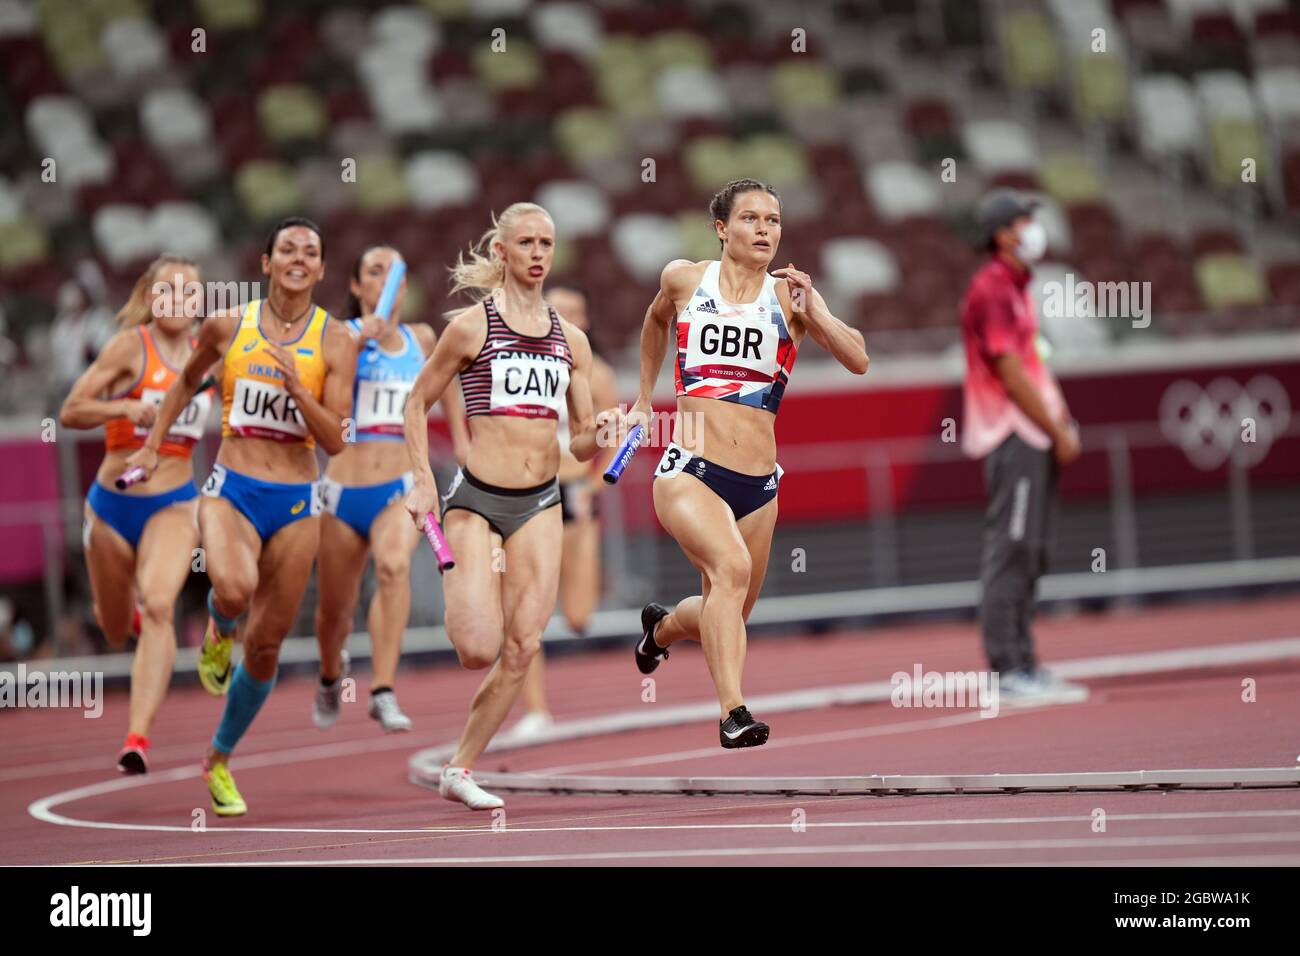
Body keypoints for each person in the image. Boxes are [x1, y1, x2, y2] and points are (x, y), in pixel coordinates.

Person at [126, 216, 358, 816]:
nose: (298, 258)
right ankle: (217, 626)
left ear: (323, 269)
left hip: (297, 500)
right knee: (233, 585)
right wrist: (152, 445)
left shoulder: (336, 342)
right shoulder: (230, 324)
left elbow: (336, 439)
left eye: (310, 250)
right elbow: (183, 381)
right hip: (233, 488)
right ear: (266, 263)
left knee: (269, 644)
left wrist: (298, 390)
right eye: (287, 249)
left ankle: (219, 757)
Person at [626, 178, 869, 748]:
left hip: (759, 485)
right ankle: (733, 713)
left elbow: (858, 359)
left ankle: (660, 629)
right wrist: (643, 399)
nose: (765, 230)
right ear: (721, 228)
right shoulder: (684, 279)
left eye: (774, 221)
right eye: (751, 219)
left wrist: (819, 312)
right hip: (689, 470)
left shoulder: (791, 297)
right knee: (730, 573)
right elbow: (655, 321)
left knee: (725, 611)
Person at [403, 202, 603, 809]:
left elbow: (581, 436)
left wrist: (611, 431)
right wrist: (420, 481)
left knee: (523, 647)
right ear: (502, 252)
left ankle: (460, 768)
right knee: (478, 649)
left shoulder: (573, 341)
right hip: (477, 503)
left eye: (547, 242)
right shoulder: (470, 328)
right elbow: (416, 404)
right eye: (527, 243)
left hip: (541, 502)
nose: (539, 253)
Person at [59, 255, 214, 773]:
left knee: (160, 605)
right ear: (151, 298)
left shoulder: (207, 357)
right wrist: (123, 408)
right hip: (111, 507)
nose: (179, 301)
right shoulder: (131, 347)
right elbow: (71, 410)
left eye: (190, 292)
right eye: (168, 291)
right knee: (111, 627)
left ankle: (137, 738)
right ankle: (126, 614)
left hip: (173, 503)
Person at [312, 244, 467, 733]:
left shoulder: (421, 337)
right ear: (357, 287)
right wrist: (360, 338)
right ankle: (331, 675)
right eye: (372, 272)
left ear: (403, 286)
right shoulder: (337, 335)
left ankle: (382, 688)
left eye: (391, 274)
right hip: (340, 491)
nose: (383, 282)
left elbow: (448, 384)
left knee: (394, 567)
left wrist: (462, 441)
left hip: (396, 487)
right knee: (335, 609)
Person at [960, 189, 1086, 701]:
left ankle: (1025, 662)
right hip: (1012, 435)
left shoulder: (1016, 288)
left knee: (1032, 551)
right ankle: (1007, 668)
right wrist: (1057, 431)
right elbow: (1011, 375)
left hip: (1034, 433)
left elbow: (1034, 367)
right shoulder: (991, 288)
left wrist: (1061, 421)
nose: (1035, 226)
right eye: (1025, 219)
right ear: (1002, 233)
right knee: (1011, 550)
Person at [506, 283, 618, 740]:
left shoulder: (599, 374)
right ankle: (535, 708)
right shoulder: (521, 363)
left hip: (574, 494)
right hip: (529, 490)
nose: (566, 319)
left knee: (577, 615)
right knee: (524, 609)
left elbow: (616, 439)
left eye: (575, 312)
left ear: (586, 322)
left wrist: (596, 487)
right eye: (558, 311)